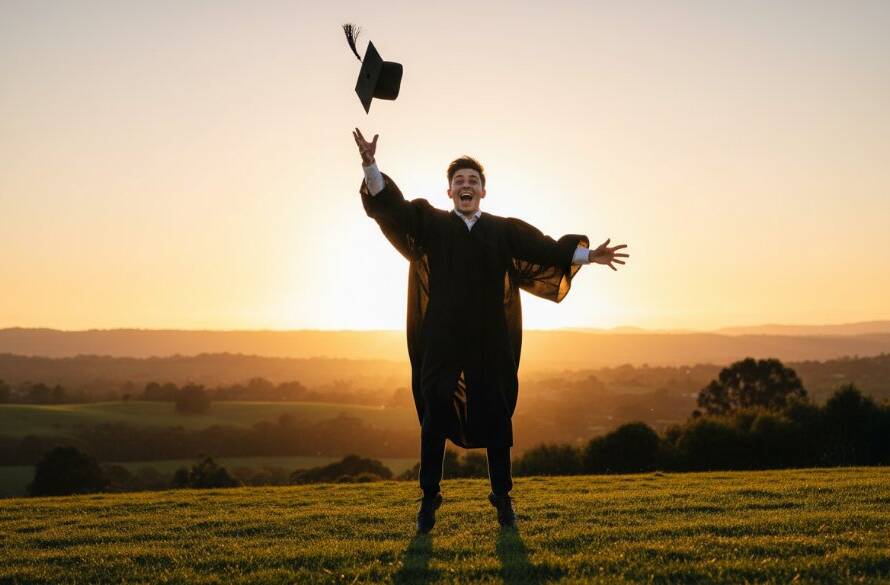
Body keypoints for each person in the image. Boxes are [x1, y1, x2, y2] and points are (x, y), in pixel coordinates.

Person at [352, 128, 629, 533]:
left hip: (490, 340)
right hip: (441, 340)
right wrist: (369, 164)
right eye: (459, 181)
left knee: (498, 418)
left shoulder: (503, 230)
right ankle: (428, 500)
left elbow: (546, 249)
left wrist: (589, 256)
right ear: (449, 192)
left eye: (473, 181)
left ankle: (503, 499)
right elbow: (391, 207)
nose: (466, 185)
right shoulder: (430, 223)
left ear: (484, 191)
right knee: (434, 416)